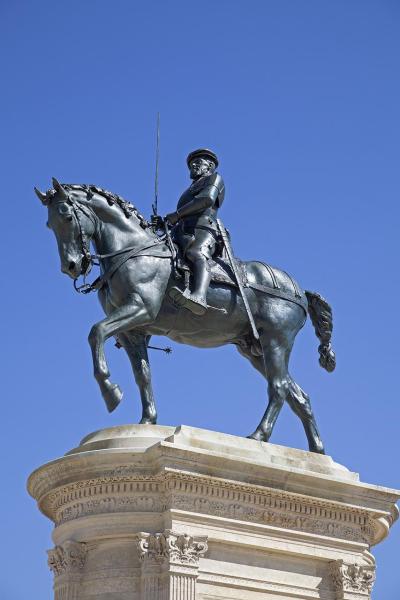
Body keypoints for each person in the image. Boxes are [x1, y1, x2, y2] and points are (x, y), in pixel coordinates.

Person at [164, 148, 225, 315]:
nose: (193, 166)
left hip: (203, 229)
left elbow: (206, 199)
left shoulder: (214, 178)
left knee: (196, 253)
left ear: (210, 165)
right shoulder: (188, 190)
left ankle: (199, 297)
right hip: (182, 231)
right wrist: (165, 222)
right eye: (191, 164)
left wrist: (176, 215)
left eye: (198, 162)